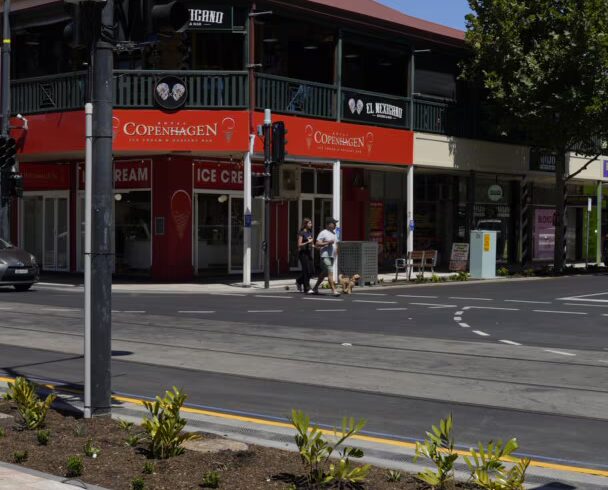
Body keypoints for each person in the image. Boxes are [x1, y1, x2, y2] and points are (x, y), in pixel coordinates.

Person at [310, 217, 340, 296]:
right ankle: (334, 290)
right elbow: (317, 243)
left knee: (324, 273)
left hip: (332, 256)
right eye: (334, 223)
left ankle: (315, 288)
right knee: (330, 272)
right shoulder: (323, 233)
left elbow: (336, 244)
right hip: (325, 256)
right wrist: (327, 243)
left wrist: (337, 253)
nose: (335, 225)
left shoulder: (334, 233)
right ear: (328, 224)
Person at [295, 218, 314, 293]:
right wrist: (307, 242)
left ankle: (299, 281)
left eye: (311, 223)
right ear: (305, 224)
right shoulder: (301, 233)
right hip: (302, 253)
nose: (311, 225)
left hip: (308, 253)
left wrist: (317, 247)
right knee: (306, 271)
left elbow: (312, 244)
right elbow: (299, 245)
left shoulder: (310, 233)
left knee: (311, 270)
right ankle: (307, 288)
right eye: (309, 223)